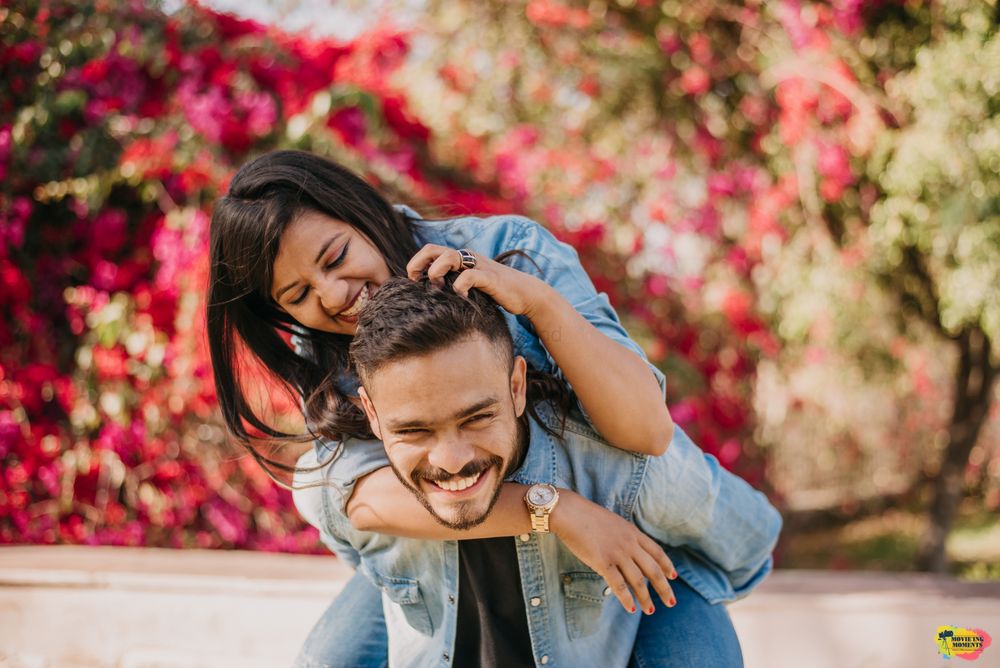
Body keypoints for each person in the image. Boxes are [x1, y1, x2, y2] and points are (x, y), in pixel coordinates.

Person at [206, 150, 779, 666]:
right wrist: (554, 509)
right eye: (298, 295)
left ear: (360, 213)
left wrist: (536, 303)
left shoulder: (510, 252)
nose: (332, 297)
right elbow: (361, 496)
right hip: (458, 521)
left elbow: (647, 433)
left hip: (614, 515)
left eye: (335, 258)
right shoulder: (323, 346)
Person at [292, 276, 781, 667]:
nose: (451, 459)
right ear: (373, 417)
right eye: (414, 431)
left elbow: (750, 540)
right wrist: (550, 510)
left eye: (477, 417)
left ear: (517, 387)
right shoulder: (340, 488)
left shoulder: (621, 473)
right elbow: (333, 515)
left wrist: (648, 560)